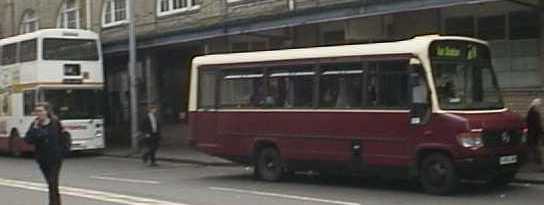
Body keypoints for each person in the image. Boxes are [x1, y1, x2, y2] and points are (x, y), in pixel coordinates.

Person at [24, 102, 66, 205]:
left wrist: (63, 152)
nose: (38, 113)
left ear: (47, 111)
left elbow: (65, 137)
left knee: (53, 183)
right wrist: (35, 130)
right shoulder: (35, 125)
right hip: (42, 159)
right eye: (37, 111)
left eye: (41, 111)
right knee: (51, 184)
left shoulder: (55, 122)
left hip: (55, 158)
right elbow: (28, 140)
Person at [526, 98, 543, 170]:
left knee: (533, 149)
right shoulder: (534, 113)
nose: (540, 107)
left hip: (532, 134)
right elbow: (537, 125)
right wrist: (541, 132)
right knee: (535, 149)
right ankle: (537, 166)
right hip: (533, 134)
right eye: (539, 105)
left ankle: (535, 165)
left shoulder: (531, 112)